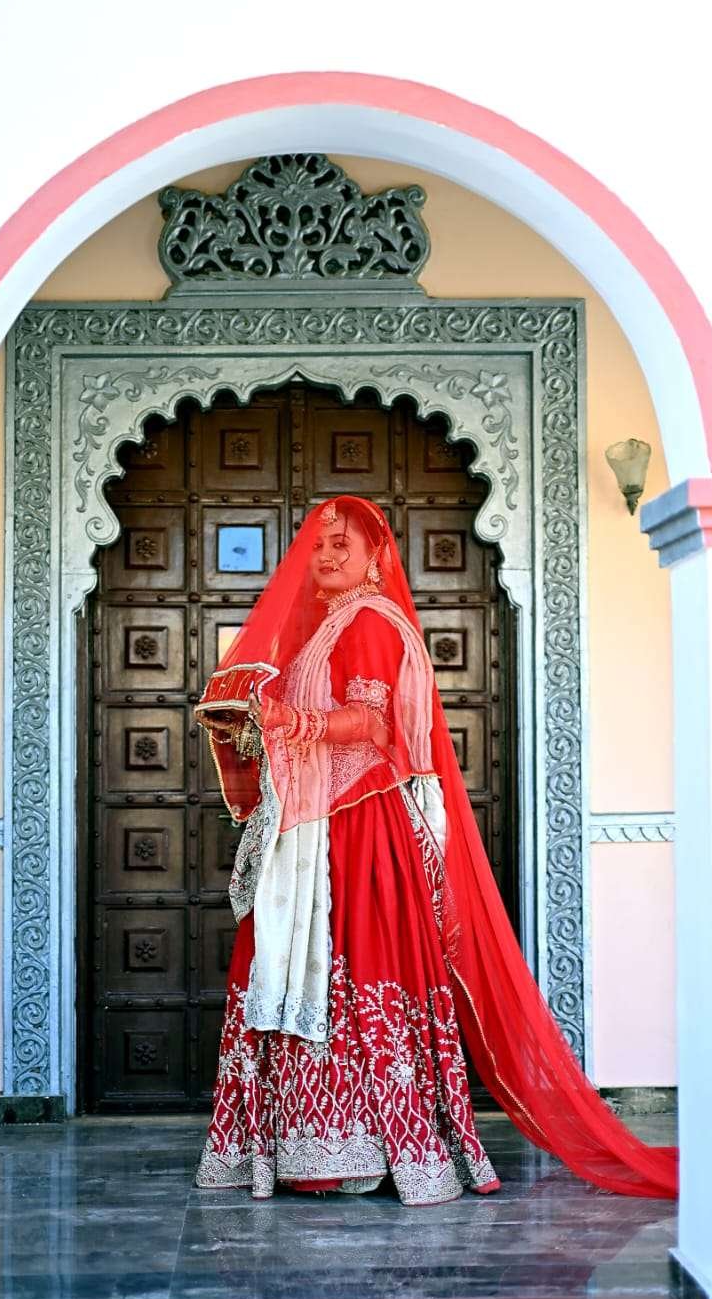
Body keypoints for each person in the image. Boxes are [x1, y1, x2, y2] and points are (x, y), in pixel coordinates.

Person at [193, 496, 677, 1206]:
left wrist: (287, 720)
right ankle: (309, 1147)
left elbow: (370, 722)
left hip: (357, 827)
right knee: (306, 966)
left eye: (343, 544)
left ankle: (362, 1148)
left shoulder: (368, 622)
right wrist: (251, 726)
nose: (326, 556)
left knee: (355, 964)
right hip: (315, 826)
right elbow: (303, 723)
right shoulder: (323, 627)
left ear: (375, 557)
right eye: (318, 545)